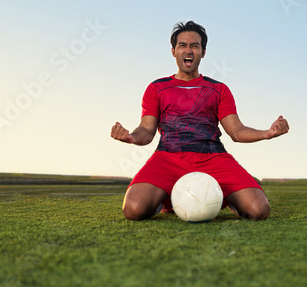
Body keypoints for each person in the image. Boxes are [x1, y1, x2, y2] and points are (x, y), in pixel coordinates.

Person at [111, 20, 289, 221]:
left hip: (213, 157)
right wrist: (131, 138)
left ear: (203, 52)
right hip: (168, 157)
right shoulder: (157, 88)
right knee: (134, 209)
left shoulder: (219, 89)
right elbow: (146, 129)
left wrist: (267, 133)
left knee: (259, 210)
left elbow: (236, 131)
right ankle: (168, 197)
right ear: (173, 51)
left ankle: (222, 197)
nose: (189, 50)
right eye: (183, 45)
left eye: (195, 46)